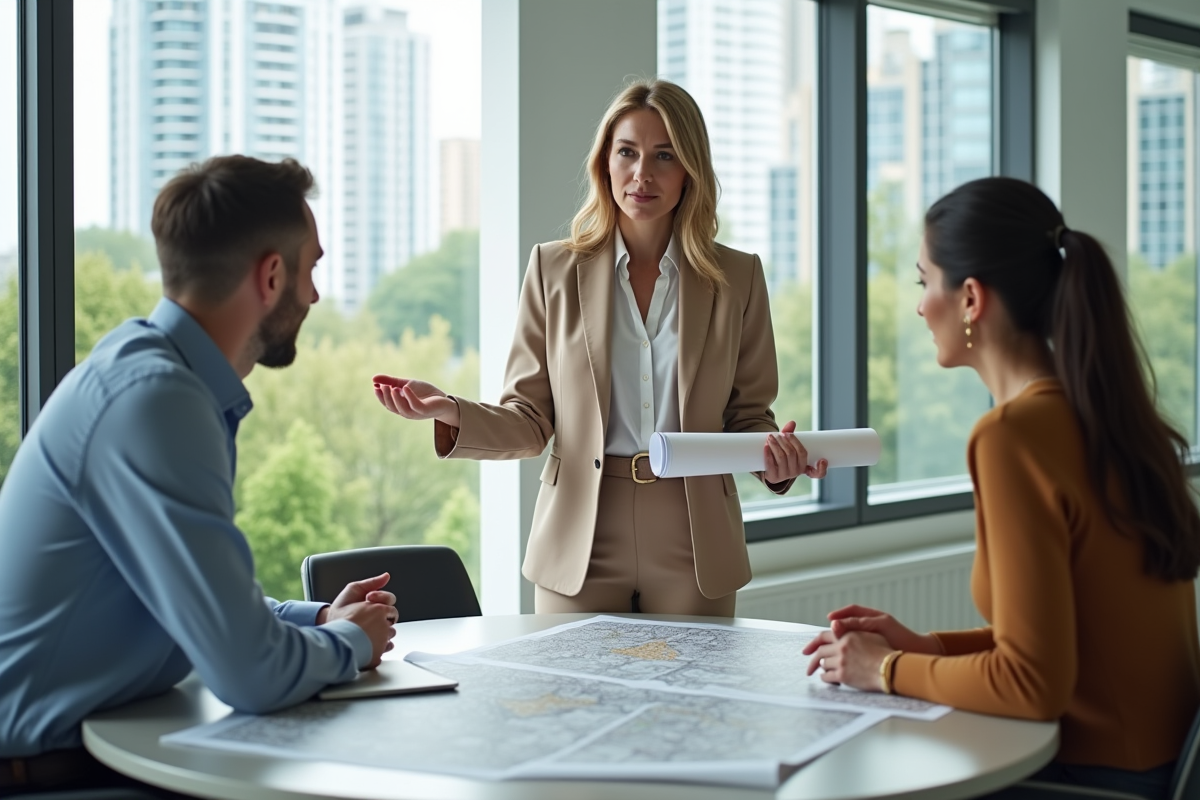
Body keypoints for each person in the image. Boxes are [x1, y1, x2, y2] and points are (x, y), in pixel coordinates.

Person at [0, 156, 399, 793]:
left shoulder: (153, 376)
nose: (316, 294)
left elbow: (188, 597)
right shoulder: (156, 400)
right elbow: (250, 674)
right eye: (312, 267)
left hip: (84, 756)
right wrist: (350, 642)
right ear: (272, 275)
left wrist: (316, 620)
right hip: (45, 779)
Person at [803, 176, 1200, 800]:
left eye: (922, 280)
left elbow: (1031, 684)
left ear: (969, 299)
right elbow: (1066, 636)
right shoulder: (1101, 413)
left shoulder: (1011, 435)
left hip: (1099, 780)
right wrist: (927, 645)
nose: (918, 304)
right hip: (1162, 766)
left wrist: (884, 668)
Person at [372, 79, 827, 616]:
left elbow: (748, 416)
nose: (642, 174)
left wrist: (775, 458)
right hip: (580, 535)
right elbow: (529, 419)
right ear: (604, 163)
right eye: (627, 153)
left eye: (665, 155)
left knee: (688, 700)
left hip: (694, 534)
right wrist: (450, 409)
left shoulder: (738, 277)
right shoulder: (552, 269)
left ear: (690, 170)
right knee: (572, 700)